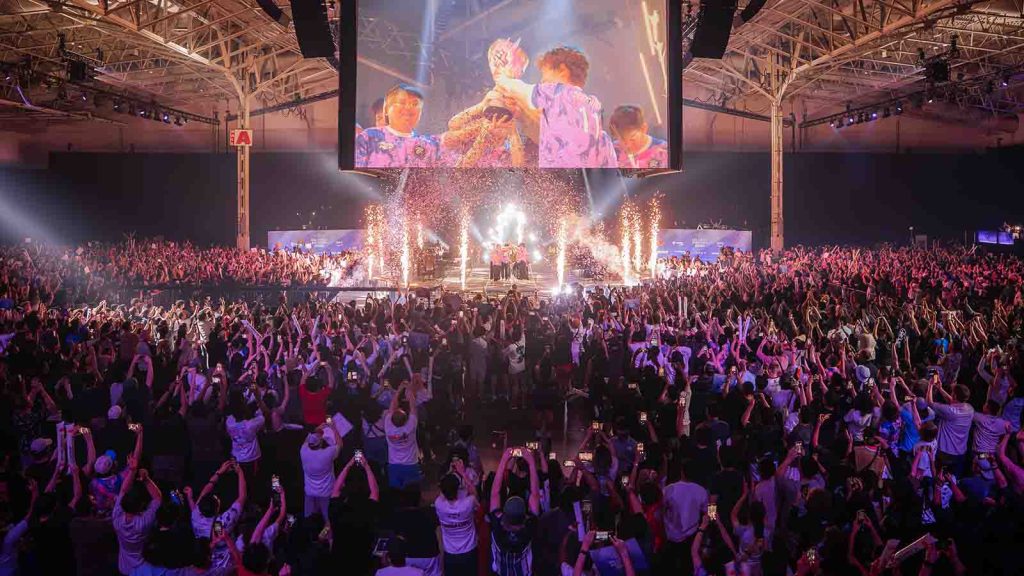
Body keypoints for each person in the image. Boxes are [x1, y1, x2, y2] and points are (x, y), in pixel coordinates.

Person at [495, 45, 617, 168]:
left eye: (544, 74)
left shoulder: (558, 92)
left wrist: (500, 74)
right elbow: (550, 137)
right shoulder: (592, 107)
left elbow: (514, 87)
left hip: (565, 182)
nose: (542, 81)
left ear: (562, 70)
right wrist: (520, 113)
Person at [355, 84, 442, 168]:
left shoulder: (428, 145)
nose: (408, 108)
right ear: (387, 109)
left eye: (415, 104)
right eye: (402, 102)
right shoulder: (368, 137)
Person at [488, 446, 542, 576]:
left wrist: (504, 460)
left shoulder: (497, 525)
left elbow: (495, 493)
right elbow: (535, 494)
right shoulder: (529, 527)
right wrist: (531, 463)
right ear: (524, 515)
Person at [112, 460, 162, 575]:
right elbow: (157, 498)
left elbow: (123, 490)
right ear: (140, 506)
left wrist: (132, 470)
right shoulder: (143, 522)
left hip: (124, 568)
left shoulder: (116, 519)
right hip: (141, 569)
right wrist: (146, 479)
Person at [435, 459, 479, 576]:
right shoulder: (468, 503)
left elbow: (443, 490)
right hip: (469, 551)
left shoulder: (439, 504)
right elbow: (474, 493)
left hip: (450, 553)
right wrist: (463, 472)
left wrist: (450, 472)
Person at [300, 421, 342, 519]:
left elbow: (306, 441)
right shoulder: (327, 453)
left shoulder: (303, 451)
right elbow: (339, 444)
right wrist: (334, 428)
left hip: (309, 492)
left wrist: (316, 430)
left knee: (309, 520)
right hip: (326, 493)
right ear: (320, 443)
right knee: (327, 521)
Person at [385, 381, 422, 489]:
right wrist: (409, 391)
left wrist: (399, 390)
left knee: (396, 494)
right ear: (406, 419)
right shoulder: (410, 427)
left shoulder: (388, 427)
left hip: (394, 465)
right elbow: (413, 408)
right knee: (412, 493)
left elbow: (392, 406)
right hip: (410, 464)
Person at [609, 105, 669, 170]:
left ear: (643, 128)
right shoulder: (611, 150)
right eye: (621, 139)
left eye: (632, 139)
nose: (627, 145)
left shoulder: (663, 152)